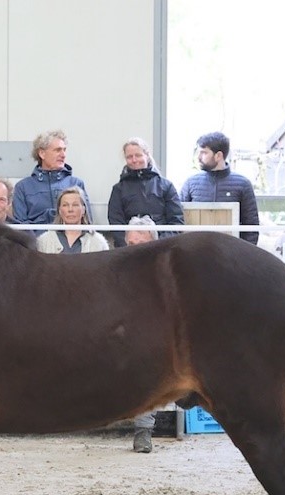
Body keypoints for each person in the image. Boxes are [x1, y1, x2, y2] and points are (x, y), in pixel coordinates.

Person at [121, 216, 161, 451]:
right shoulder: (115, 269)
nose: (135, 249)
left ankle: (143, 431)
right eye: (131, 244)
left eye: (141, 244)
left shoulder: (161, 273)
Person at [179, 131, 260, 245]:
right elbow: (178, 219)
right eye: (199, 152)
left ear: (218, 156)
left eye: (204, 153)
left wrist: (243, 254)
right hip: (196, 250)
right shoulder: (190, 183)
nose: (199, 157)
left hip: (230, 251)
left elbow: (251, 226)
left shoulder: (243, 184)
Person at [107, 137, 184, 247]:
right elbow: (116, 224)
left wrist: (157, 244)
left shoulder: (166, 186)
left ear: (147, 155)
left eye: (138, 155)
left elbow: (176, 222)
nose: (134, 160)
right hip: (129, 248)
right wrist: (129, 245)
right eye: (129, 157)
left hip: (162, 248)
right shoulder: (118, 189)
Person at [13, 129, 89, 229]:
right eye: (58, 150)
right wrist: (49, 216)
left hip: (70, 239)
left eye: (64, 150)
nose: (63, 155)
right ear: (42, 153)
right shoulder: (23, 187)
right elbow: (20, 228)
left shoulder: (76, 184)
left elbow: (87, 224)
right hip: (34, 239)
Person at [35, 187, 109, 254]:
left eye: (75, 205)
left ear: (83, 210)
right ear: (60, 211)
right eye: (65, 205)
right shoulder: (43, 242)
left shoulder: (98, 242)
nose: (70, 209)